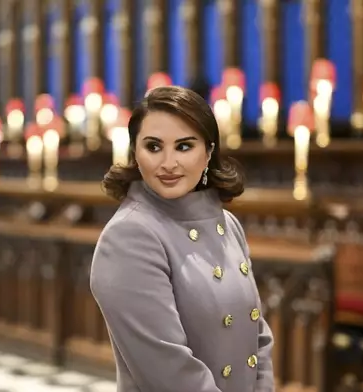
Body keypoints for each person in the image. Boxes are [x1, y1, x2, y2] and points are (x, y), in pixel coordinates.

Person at [90, 86, 274, 391]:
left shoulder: (227, 224)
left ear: (209, 152)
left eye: (184, 146)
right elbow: (170, 372)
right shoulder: (129, 236)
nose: (169, 163)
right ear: (135, 152)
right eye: (153, 147)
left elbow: (258, 337)